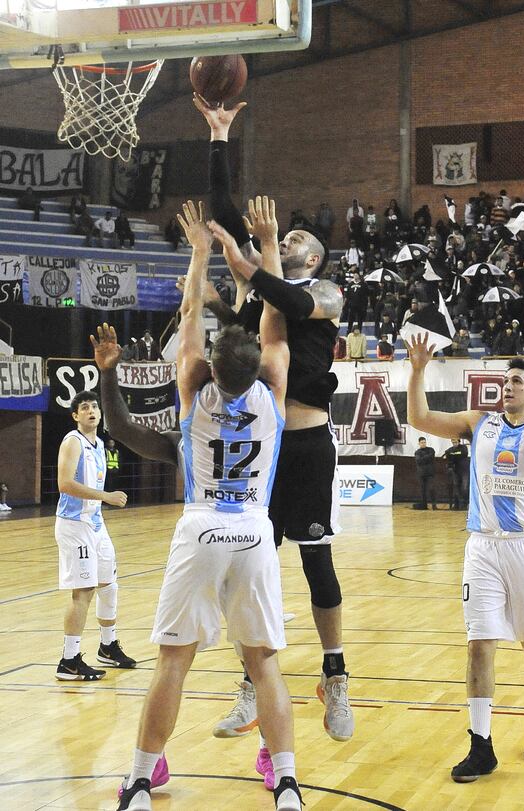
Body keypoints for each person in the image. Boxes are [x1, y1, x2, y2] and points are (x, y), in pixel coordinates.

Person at [114, 200, 302, 811]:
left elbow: (192, 311)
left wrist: (198, 252)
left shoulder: (194, 386)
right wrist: (267, 245)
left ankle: (143, 778)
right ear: (255, 370)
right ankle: (288, 782)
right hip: (252, 530)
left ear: (213, 367)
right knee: (263, 664)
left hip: (199, 528)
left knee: (174, 663)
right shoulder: (272, 385)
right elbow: (274, 317)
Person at [191, 97, 354, 748]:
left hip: (309, 443)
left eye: (294, 239)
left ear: (314, 254)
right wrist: (220, 138)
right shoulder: (264, 286)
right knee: (246, 568)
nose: (286, 239)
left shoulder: (328, 294)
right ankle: (248, 685)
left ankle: (334, 674)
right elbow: (220, 215)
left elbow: (284, 295)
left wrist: (257, 258)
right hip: (262, 444)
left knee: (318, 567)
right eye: (283, 236)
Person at [406, 324, 524, 779]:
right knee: (478, 644)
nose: (506, 388)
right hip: (482, 546)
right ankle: (481, 743)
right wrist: (417, 372)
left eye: (516, 382)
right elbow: (420, 419)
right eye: (504, 382)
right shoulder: (477, 423)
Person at [54, 390, 135, 681]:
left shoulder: (99, 443)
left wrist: (102, 503)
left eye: (94, 407)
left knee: (109, 585)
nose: (91, 411)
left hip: (95, 524)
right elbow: (64, 484)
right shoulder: (72, 441)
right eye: (84, 407)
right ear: (76, 415)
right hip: (75, 526)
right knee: (83, 592)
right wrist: (106, 497)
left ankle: (107, 645)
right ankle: (68, 660)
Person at [443, 438, 469, 510]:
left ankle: (465, 504)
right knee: (457, 488)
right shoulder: (450, 449)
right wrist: (452, 455)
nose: (454, 444)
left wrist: (453, 454)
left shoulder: (463, 447)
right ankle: (457, 504)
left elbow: (463, 454)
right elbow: (445, 456)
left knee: (465, 487)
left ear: (459, 441)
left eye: (455, 442)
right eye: (453, 442)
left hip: (464, 470)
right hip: (456, 470)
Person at [413, 436, 437, 510]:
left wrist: (423, 458)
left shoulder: (431, 450)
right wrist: (427, 458)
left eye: (424, 442)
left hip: (430, 473)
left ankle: (434, 505)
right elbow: (418, 461)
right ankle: (424, 505)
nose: (423, 444)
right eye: (422, 443)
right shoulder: (417, 452)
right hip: (421, 474)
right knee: (422, 490)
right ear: (419, 443)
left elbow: (431, 456)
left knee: (431, 489)